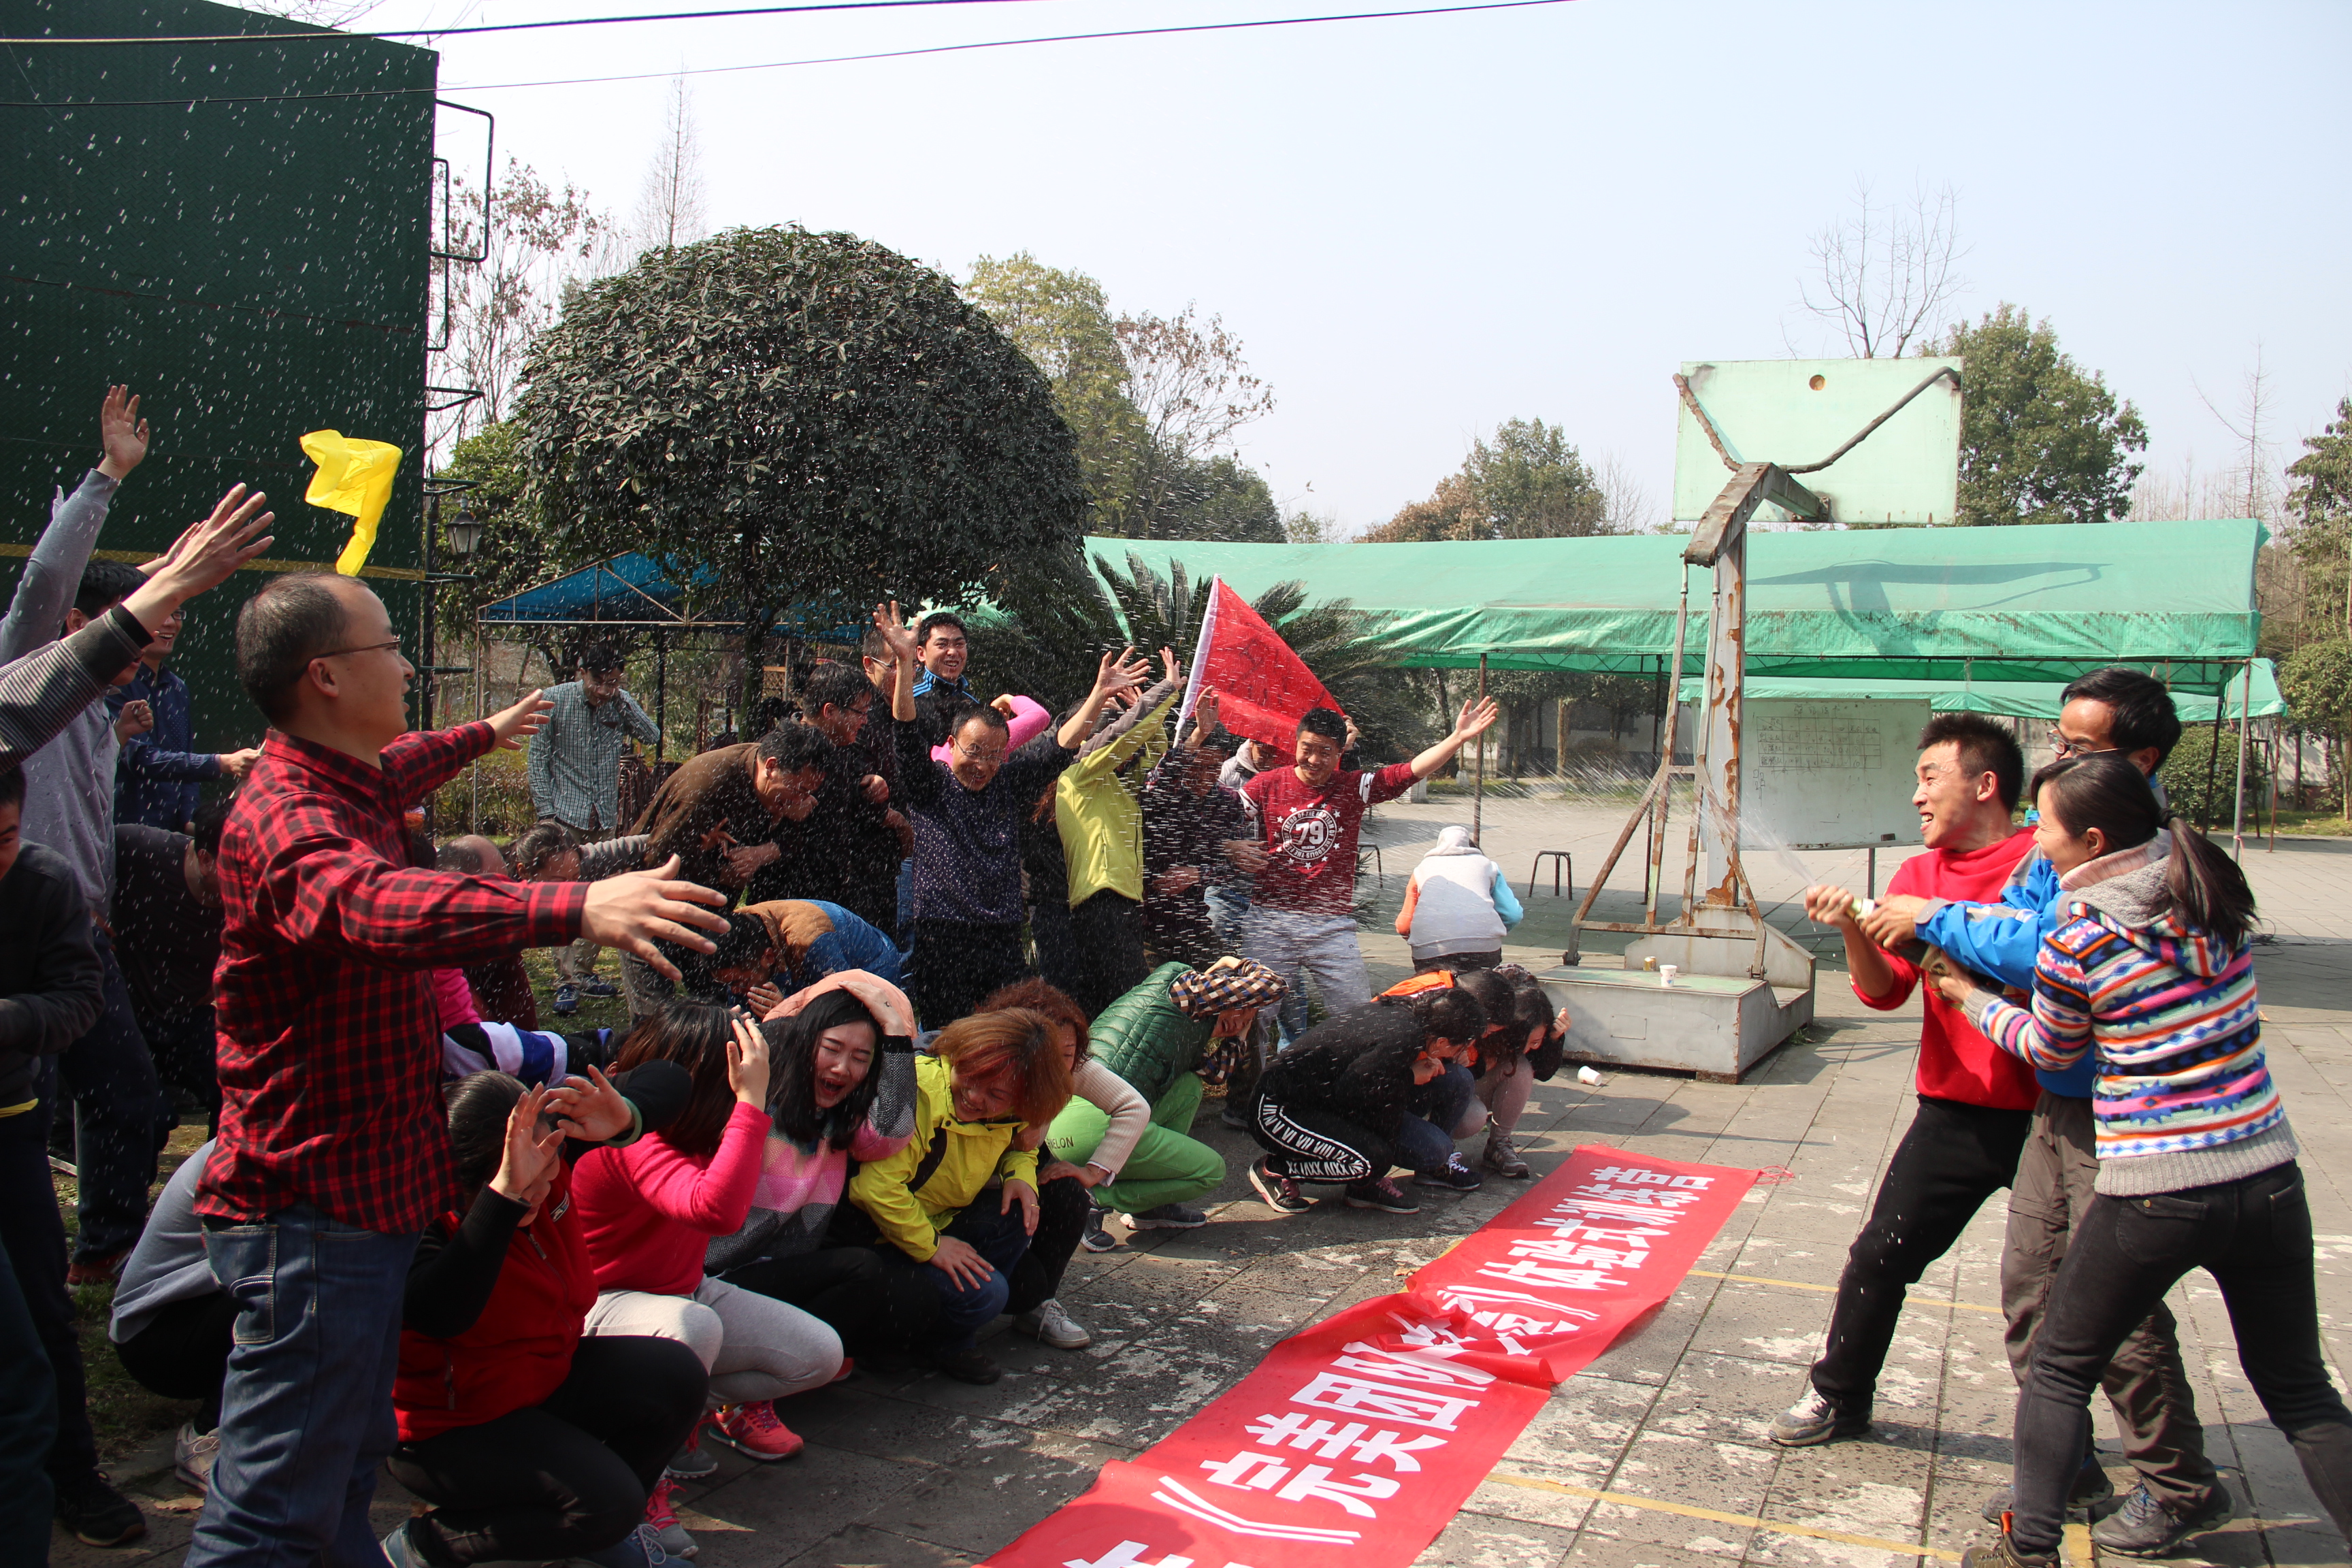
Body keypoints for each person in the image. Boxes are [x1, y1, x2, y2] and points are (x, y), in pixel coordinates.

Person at [188, 569, 731, 1568]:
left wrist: (485, 733)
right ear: (325, 677)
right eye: (388, 646)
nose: (407, 665)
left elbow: (402, 764)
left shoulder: (346, 778)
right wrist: (569, 906)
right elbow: (373, 903)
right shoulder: (288, 823)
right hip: (308, 1218)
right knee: (274, 1509)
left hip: (362, 1203)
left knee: (335, 1480)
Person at [1942, 751, 2352, 1568]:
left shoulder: (2079, 933)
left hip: (2159, 1188)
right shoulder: (2210, 892)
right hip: (2268, 1176)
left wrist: (1973, 1001)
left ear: (2093, 841)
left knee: (2059, 1369)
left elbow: (2054, 1054)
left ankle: (2027, 1550)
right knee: (2302, 1390)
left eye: (2045, 827)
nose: (2035, 839)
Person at [1856, 670, 2216, 1547]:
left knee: (2111, 1306)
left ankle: (2178, 1484)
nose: (2055, 759)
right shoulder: (2055, 848)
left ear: (2139, 762)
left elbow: (2045, 949)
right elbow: (2020, 934)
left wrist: (1940, 928)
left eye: (2079, 747)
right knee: (2031, 1290)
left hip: (2121, 1114)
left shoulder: (2150, 864)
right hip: (2057, 1107)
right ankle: (2066, 1465)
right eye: (2058, 740)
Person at [1771, 714, 2042, 1449]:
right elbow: (1885, 992)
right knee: (1880, 1254)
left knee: (2063, 1289)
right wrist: (1852, 928)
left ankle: (2099, 1453)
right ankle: (1840, 1395)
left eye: (1930, 778)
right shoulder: (1916, 876)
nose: (1917, 797)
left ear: (1985, 785)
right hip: (1956, 1109)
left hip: (2052, 1115)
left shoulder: (2041, 865)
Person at [383, 1073, 707, 1568]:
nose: (541, 1187)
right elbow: (440, 1313)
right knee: (610, 1502)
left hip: (538, 1383)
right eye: (521, 1178)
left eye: (549, 1163)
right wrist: (503, 1199)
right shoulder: (420, 1218)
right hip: (449, 1430)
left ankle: (592, 1535)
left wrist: (625, 1116)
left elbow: (674, 1078)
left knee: (675, 1375)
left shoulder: (548, 1153)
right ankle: (427, 1544)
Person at [572, 1004, 845, 1554]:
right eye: (729, 1084)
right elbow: (717, 1211)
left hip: (682, 1292)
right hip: (601, 1306)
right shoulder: (629, 1139)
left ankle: (680, 1411)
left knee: (820, 1354)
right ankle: (638, 1485)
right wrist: (750, 1105)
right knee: (694, 1328)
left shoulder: (702, 1135)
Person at [875, 602, 1143, 1026]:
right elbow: (905, 732)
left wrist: (1097, 695)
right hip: (943, 933)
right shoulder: (930, 786)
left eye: (994, 755)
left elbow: (1060, 745)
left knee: (1009, 1034)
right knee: (947, 1037)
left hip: (1001, 936)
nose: (982, 765)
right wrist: (906, 665)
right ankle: (909, 1071)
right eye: (973, 751)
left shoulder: (1007, 782)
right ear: (951, 745)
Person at [0, 764, 135, 1547]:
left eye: (4, 838)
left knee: (40, 1311)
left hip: (10, 1124)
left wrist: (8, 1020)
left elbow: (79, 1000)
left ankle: (73, 1475)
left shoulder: (44, 884)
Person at [706, 973, 936, 1366]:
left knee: (902, 1293)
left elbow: (891, 1133)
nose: (842, 1068)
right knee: (861, 1272)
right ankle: (759, 1373)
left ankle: (781, 1363)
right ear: (806, 1038)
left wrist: (896, 1035)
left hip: (778, 1273)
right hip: (712, 1274)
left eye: (861, 1058)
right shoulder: (756, 1094)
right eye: (832, 1048)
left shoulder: (841, 1117)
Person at [1237, 697, 1499, 1032]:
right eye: (1307, 749)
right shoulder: (1266, 785)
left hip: (1331, 926)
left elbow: (1409, 772)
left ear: (1340, 752)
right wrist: (1228, 845)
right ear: (1296, 743)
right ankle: (1252, 1067)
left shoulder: (1352, 787)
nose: (1314, 760)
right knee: (1251, 1017)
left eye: (1325, 752)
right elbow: (1219, 815)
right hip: (1270, 921)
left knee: (1359, 1019)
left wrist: (1457, 738)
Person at [843, 1008, 1074, 1385]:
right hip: (875, 1237)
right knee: (989, 1294)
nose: (974, 1096)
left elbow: (1020, 1142)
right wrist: (933, 1247)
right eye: (971, 1077)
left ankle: (946, 1337)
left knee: (1020, 1222)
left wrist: (1019, 1174)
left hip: (939, 1218)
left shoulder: (1014, 1107)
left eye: (996, 1094)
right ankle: (927, 1335)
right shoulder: (920, 1094)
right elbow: (876, 1189)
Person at [1052, 958, 1284, 1243]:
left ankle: (1150, 1207)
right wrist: (1238, 963)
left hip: (1066, 1122)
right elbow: (1274, 985)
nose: (1237, 1022)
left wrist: (1243, 1030)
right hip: (1091, 1124)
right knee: (1211, 1171)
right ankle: (1093, 1198)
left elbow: (1217, 1074)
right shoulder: (1186, 988)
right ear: (1221, 990)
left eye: (1246, 1020)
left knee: (1189, 1085)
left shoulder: (1187, 1021)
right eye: (1240, 1008)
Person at [1241, 979, 1488, 1218]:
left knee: (1454, 1079)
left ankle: (1367, 1181)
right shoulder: (1402, 1037)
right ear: (1442, 1041)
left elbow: (1366, 1089)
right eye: (1460, 1048)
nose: (1459, 1054)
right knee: (1372, 1163)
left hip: (1331, 1100)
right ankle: (1275, 1169)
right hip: (1280, 1112)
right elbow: (1354, 1093)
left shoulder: (1411, 1016)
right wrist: (1409, 1078)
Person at [973, 979, 1128, 1351]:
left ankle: (1038, 1306)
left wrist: (1093, 1172)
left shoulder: (1070, 1070)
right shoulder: (980, 1075)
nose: (1056, 1067)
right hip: (955, 1197)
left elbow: (1133, 1106)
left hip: (1012, 1183)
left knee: (1067, 1198)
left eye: (1068, 1054)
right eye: (1046, 1052)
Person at [529, 644, 662, 1009]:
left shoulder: (618, 702)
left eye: (613, 682)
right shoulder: (554, 700)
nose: (604, 689)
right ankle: (566, 980)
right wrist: (546, 816)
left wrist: (622, 700)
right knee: (562, 895)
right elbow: (537, 761)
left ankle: (584, 972)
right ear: (581, 672)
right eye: (598, 681)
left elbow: (651, 735)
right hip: (564, 814)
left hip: (602, 814)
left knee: (599, 893)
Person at [1055, 653, 1181, 1015]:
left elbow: (1155, 754)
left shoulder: (1116, 784)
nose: (1126, 752)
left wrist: (1152, 717)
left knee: (1111, 1003)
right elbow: (1123, 738)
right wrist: (1165, 691)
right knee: (1130, 1004)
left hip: (1121, 902)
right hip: (1101, 900)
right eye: (1105, 727)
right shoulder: (1079, 774)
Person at [109, 1141, 233, 1493]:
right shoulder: (252, 1147)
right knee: (299, 1283)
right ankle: (207, 1436)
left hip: (213, 1302)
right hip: (158, 1334)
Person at [110, 796, 231, 1137]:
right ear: (206, 860)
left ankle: (220, 1164)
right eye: (240, 866)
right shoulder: (140, 849)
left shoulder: (257, 891)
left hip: (189, 1015)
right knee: (147, 1115)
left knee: (240, 1086)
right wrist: (83, 908)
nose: (253, 879)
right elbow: (76, 855)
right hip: (126, 1016)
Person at [110, 598, 258, 832]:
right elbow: (138, 759)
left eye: (177, 614)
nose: (170, 623)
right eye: (161, 613)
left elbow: (186, 759)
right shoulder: (114, 683)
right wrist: (222, 763)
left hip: (172, 834)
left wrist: (190, 821)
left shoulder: (177, 688)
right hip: (120, 830)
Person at [1139, 693, 1254, 969]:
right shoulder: (1163, 794)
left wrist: (1198, 874)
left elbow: (1237, 866)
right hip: (1141, 924)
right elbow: (1160, 777)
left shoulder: (1228, 804)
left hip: (1193, 923)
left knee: (1233, 980)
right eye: (1196, 767)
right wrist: (1199, 734)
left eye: (1213, 768)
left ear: (1225, 760)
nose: (1203, 777)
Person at [793, 661, 906, 931]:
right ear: (830, 711)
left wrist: (871, 790)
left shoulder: (842, 747)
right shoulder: (792, 756)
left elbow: (854, 806)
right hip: (801, 897)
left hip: (848, 887)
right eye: (860, 712)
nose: (865, 721)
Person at [1471, 967, 1568, 1179]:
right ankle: (1441, 1148)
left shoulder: (1533, 1030)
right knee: (1470, 1117)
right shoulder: (1486, 1024)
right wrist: (1483, 1063)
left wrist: (1553, 1039)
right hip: (1446, 1094)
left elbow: (1543, 1072)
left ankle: (1499, 1144)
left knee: (1520, 1067)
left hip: (1477, 1091)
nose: (1525, 1049)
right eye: (1521, 1042)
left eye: (1535, 1043)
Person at [1396, 825, 1523, 971]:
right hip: (1484, 947)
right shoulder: (1488, 865)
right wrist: (1489, 930)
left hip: (1431, 950)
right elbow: (1513, 915)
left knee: (1434, 985)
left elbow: (1404, 926)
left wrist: (1423, 937)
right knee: (1481, 984)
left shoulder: (1422, 869)